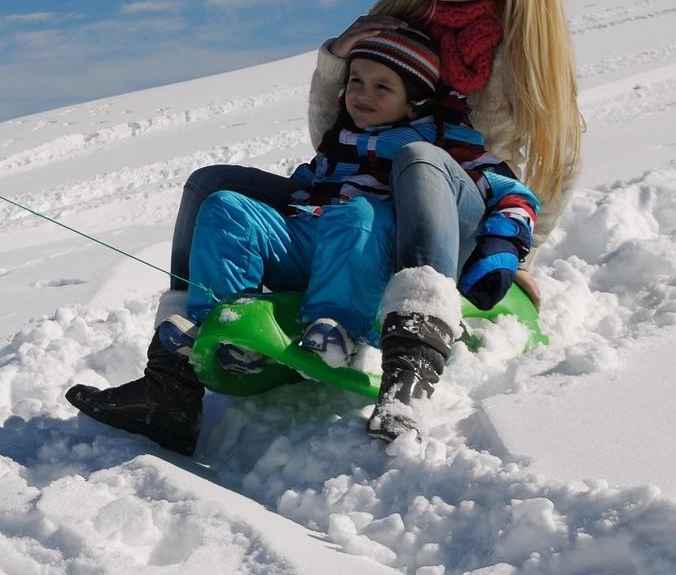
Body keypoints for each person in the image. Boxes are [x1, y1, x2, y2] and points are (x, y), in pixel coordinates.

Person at [67, 0, 583, 450]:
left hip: (445, 217)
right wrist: (338, 62)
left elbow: (548, 162)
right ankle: (172, 384)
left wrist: (521, 254)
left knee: (416, 159)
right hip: (354, 204)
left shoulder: (519, 54)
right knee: (212, 187)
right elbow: (333, 136)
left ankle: (410, 369)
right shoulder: (411, 2)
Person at [173, 26, 538, 390]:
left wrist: (503, 246)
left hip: (380, 255)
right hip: (317, 242)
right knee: (226, 207)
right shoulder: (340, 143)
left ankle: (338, 328)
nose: (363, 94)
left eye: (382, 87)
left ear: (416, 101)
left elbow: (512, 193)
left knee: (358, 212)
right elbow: (305, 189)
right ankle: (226, 320)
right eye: (357, 81)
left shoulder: (443, 140)